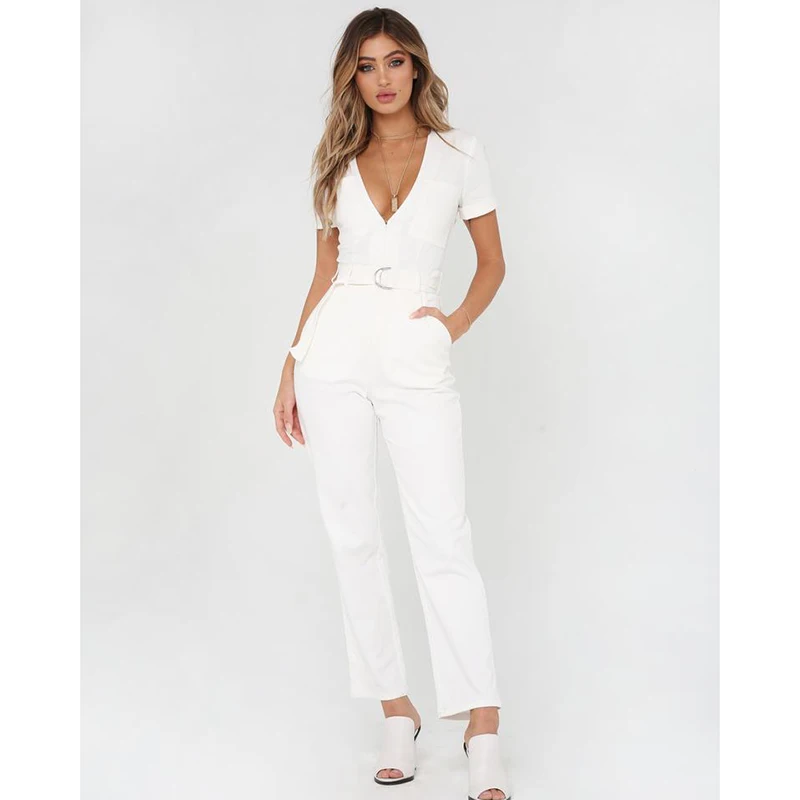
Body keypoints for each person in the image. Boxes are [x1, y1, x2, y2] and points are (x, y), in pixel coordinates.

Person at [273, 8, 512, 800]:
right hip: (333, 350)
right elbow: (323, 274)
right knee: (353, 535)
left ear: (417, 67)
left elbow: (492, 263)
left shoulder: (460, 153)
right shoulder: (335, 160)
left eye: (395, 61)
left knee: (443, 535)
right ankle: (396, 712)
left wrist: (451, 325)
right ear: (352, 75)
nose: (382, 79)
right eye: (367, 65)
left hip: (415, 347)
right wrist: (290, 366)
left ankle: (482, 725)